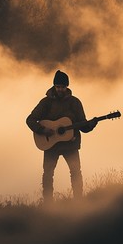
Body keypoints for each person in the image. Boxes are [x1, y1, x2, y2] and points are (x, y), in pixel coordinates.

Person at [26, 70, 98, 202]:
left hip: (70, 144)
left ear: (67, 87)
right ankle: (48, 203)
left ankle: (78, 201)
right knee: (48, 174)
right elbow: (30, 120)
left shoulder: (75, 103)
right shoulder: (46, 103)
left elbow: (83, 126)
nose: (60, 89)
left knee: (75, 172)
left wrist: (91, 124)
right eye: (57, 86)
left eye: (63, 87)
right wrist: (42, 130)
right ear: (54, 86)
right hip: (50, 145)